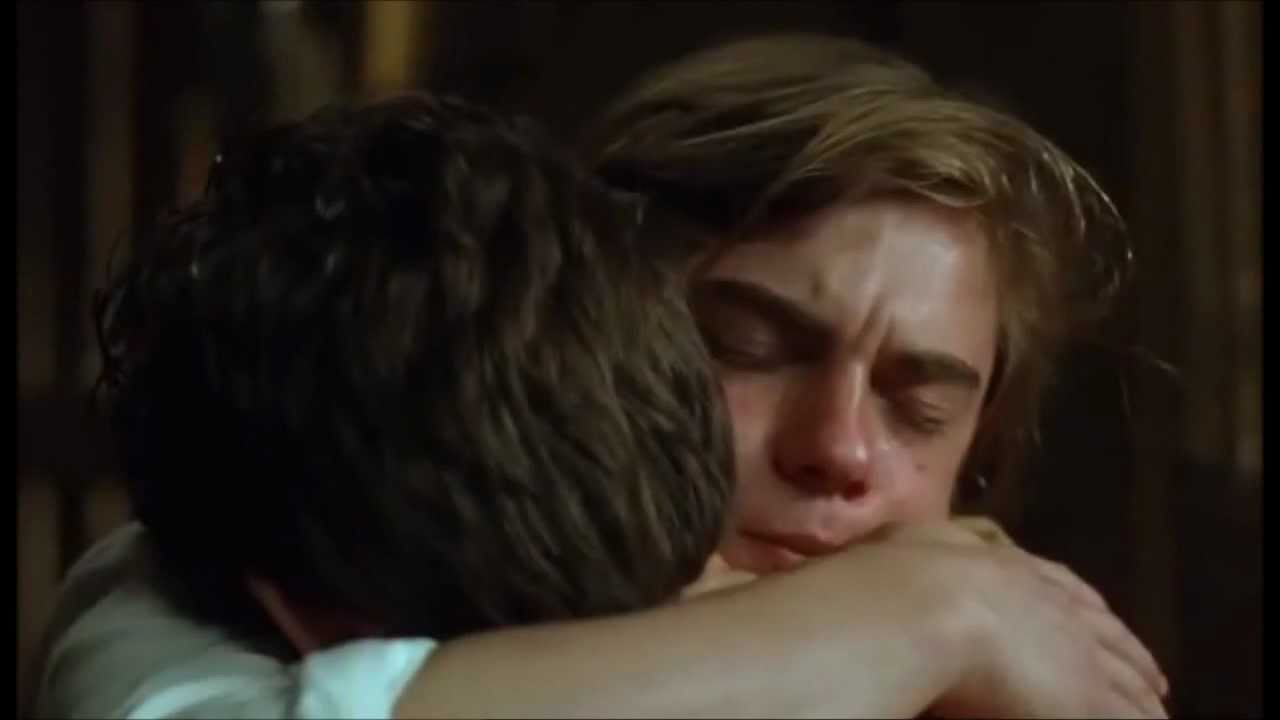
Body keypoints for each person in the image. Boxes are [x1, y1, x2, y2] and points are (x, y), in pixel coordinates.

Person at [32, 33, 1168, 719]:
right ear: (576, 320)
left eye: (918, 406)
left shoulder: (1028, 668)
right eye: (750, 346)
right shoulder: (275, 558)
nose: (836, 448)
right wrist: (929, 613)